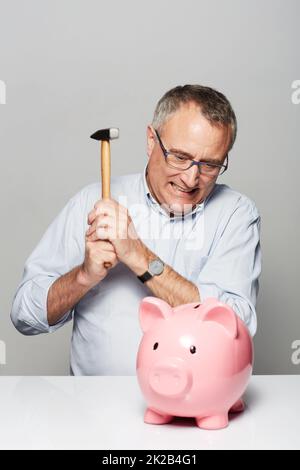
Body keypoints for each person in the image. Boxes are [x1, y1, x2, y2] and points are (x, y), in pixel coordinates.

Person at [11, 85, 261, 375]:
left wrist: (137, 254)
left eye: (210, 165)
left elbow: (232, 325)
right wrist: (83, 276)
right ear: (150, 140)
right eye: (179, 157)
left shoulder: (236, 214)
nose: (192, 178)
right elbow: (23, 316)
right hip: (94, 411)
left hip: (192, 411)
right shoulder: (92, 202)